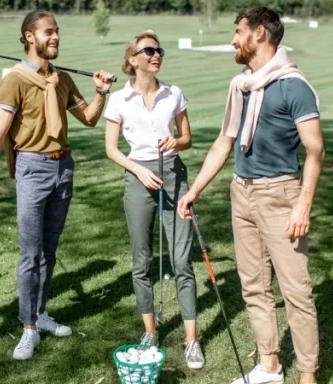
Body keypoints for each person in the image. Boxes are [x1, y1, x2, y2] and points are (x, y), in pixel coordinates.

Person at [177, 7, 324, 384]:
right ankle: (270, 367)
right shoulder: (241, 85)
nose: (233, 40)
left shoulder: (294, 86)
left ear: (259, 34)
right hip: (241, 192)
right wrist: (195, 190)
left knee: (296, 292)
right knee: (254, 286)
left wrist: (303, 205)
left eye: (238, 32)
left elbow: (314, 151)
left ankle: (307, 377)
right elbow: (224, 142)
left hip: (281, 195)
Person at [0, 10, 115, 360]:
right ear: (29, 36)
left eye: (57, 32)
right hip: (32, 169)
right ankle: (28, 328)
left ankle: (41, 313)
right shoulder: (16, 80)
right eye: (48, 32)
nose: (55, 37)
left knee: (49, 252)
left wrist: (101, 92)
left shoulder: (62, 79)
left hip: (63, 167)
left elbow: (90, 118)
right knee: (30, 254)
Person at [103, 30, 204, 370]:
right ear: (132, 59)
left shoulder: (173, 93)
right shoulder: (118, 100)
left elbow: (188, 137)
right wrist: (138, 170)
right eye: (148, 50)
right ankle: (151, 331)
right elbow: (111, 149)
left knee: (181, 260)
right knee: (141, 260)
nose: (156, 54)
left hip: (174, 176)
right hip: (138, 177)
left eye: (158, 50)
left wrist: (177, 142)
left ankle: (192, 339)